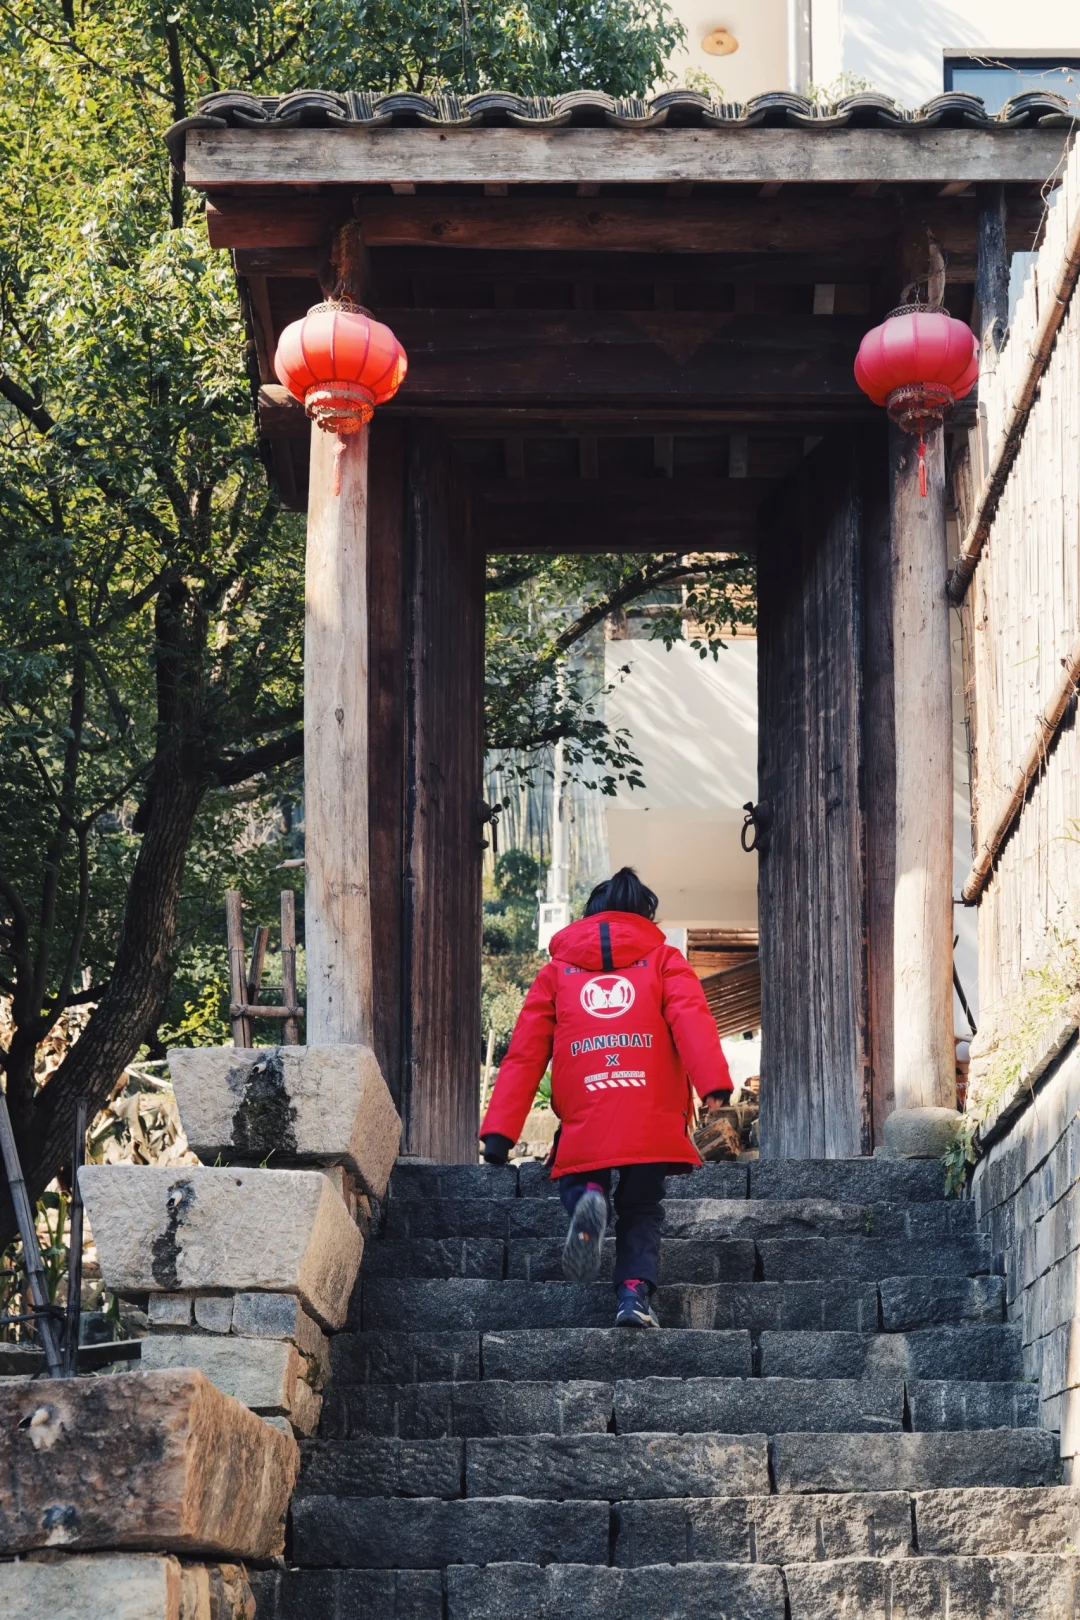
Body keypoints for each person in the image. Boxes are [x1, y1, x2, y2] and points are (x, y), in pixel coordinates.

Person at [480, 867, 733, 1328]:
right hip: (650, 1114)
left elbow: (525, 1052)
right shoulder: (664, 960)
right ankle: (633, 1296)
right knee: (641, 1207)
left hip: (587, 1110)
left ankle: (588, 1197)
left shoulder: (556, 972)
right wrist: (714, 1082)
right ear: (645, 915)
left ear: (590, 915)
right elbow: (692, 1020)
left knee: (580, 1170)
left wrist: (500, 1132)